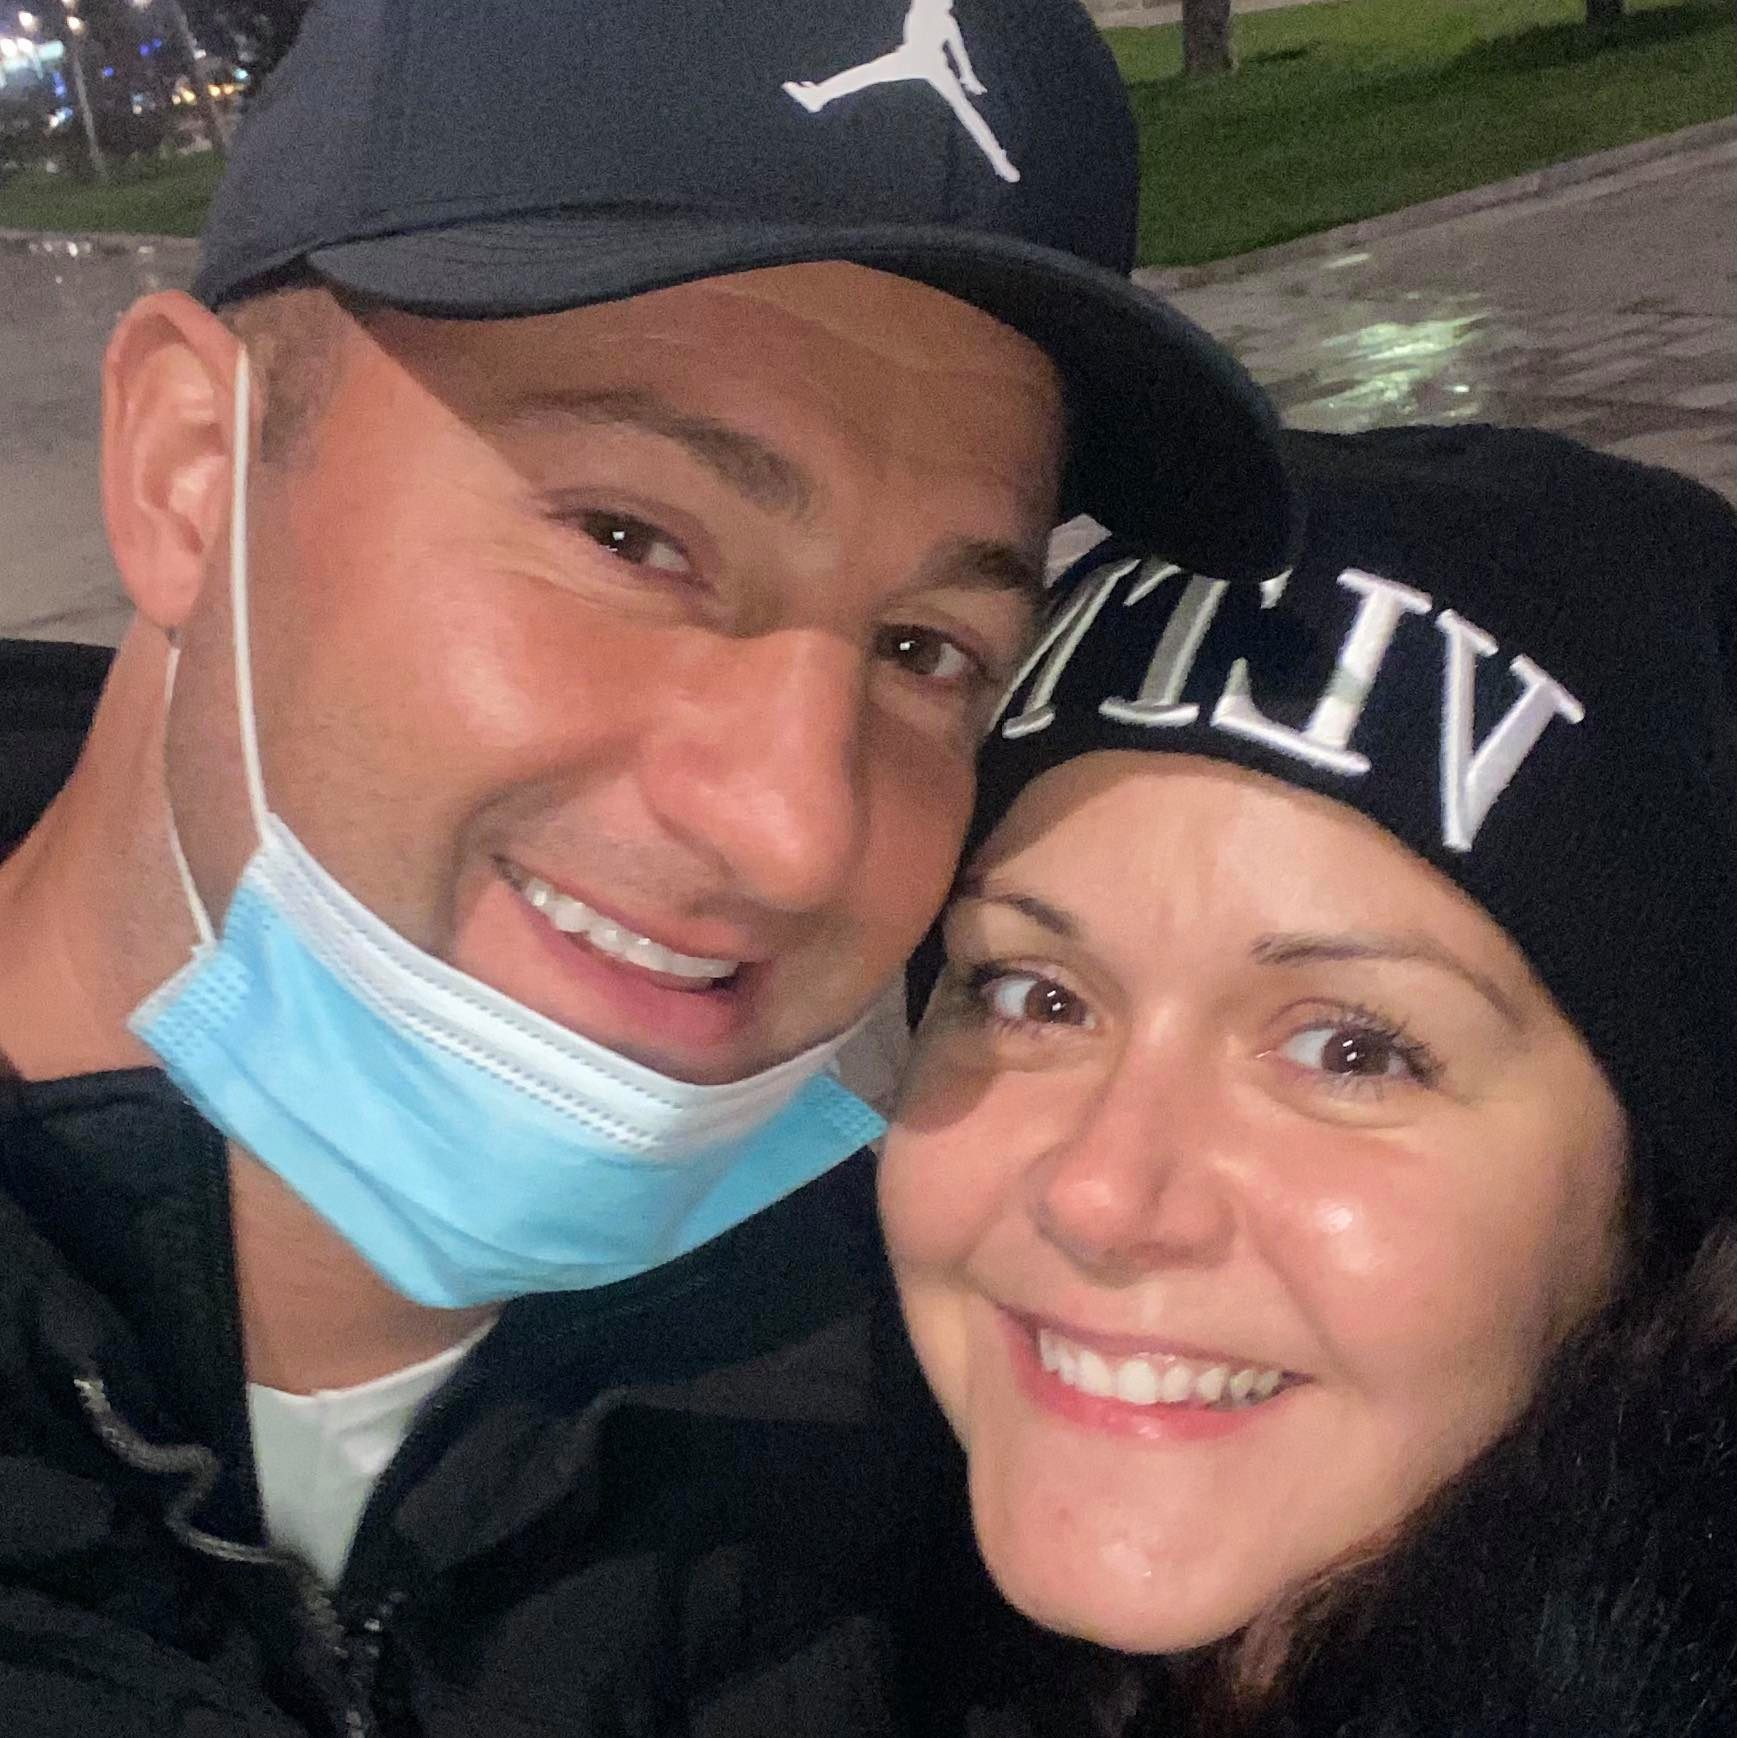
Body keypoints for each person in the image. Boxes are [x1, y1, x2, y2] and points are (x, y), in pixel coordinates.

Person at [0, 0, 1296, 1733]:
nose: (796, 829)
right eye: (630, 537)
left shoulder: (955, 1432)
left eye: (924, 649)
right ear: (187, 472)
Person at [882, 424, 1737, 1736]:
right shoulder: (749, 1565)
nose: (1101, 1193)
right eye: (1030, 995)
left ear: (1667, 1201)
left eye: (1350, 1050)